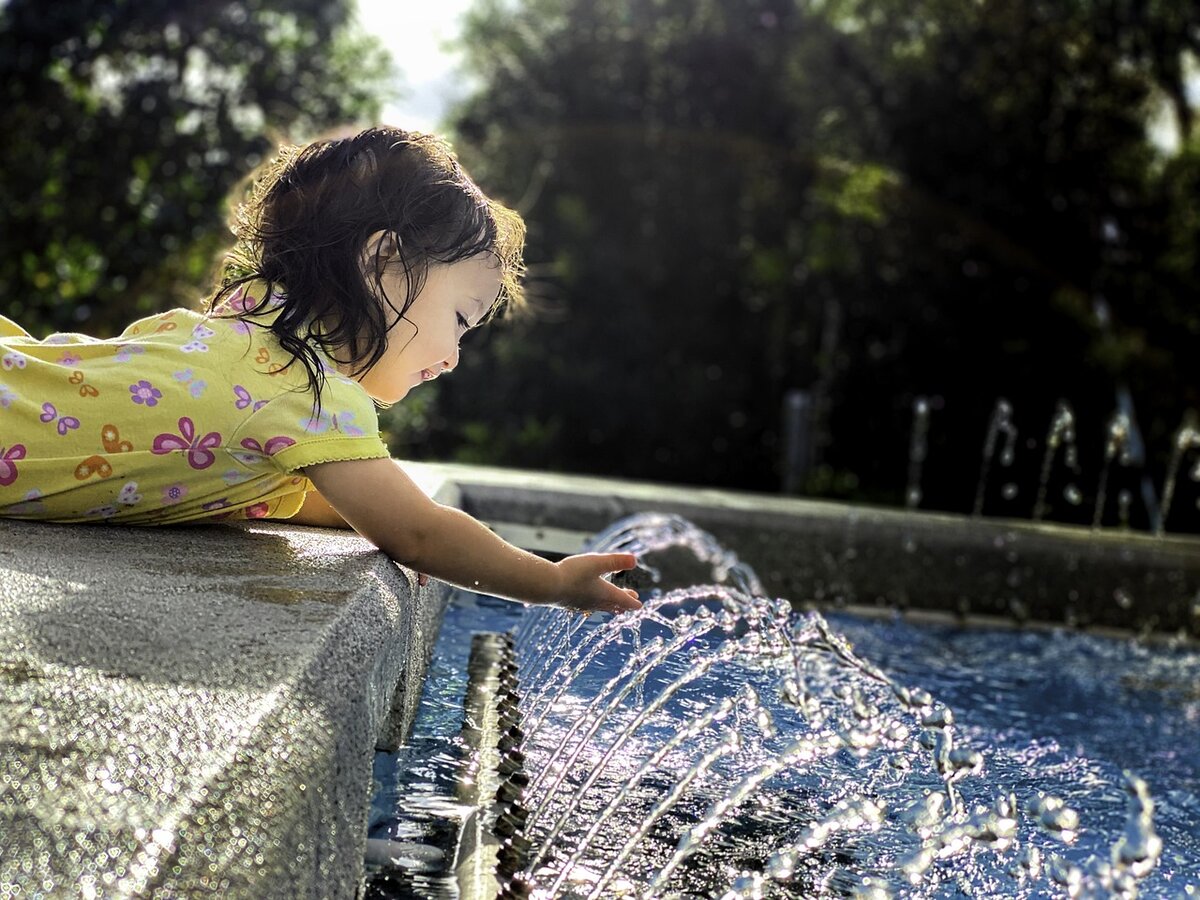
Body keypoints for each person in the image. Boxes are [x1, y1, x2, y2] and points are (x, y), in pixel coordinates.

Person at [0, 126, 640, 616]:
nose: (452, 355)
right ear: (382, 262)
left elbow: (307, 495)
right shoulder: (304, 388)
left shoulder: (247, 332)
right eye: (461, 319)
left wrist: (375, 512)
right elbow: (418, 533)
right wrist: (550, 582)